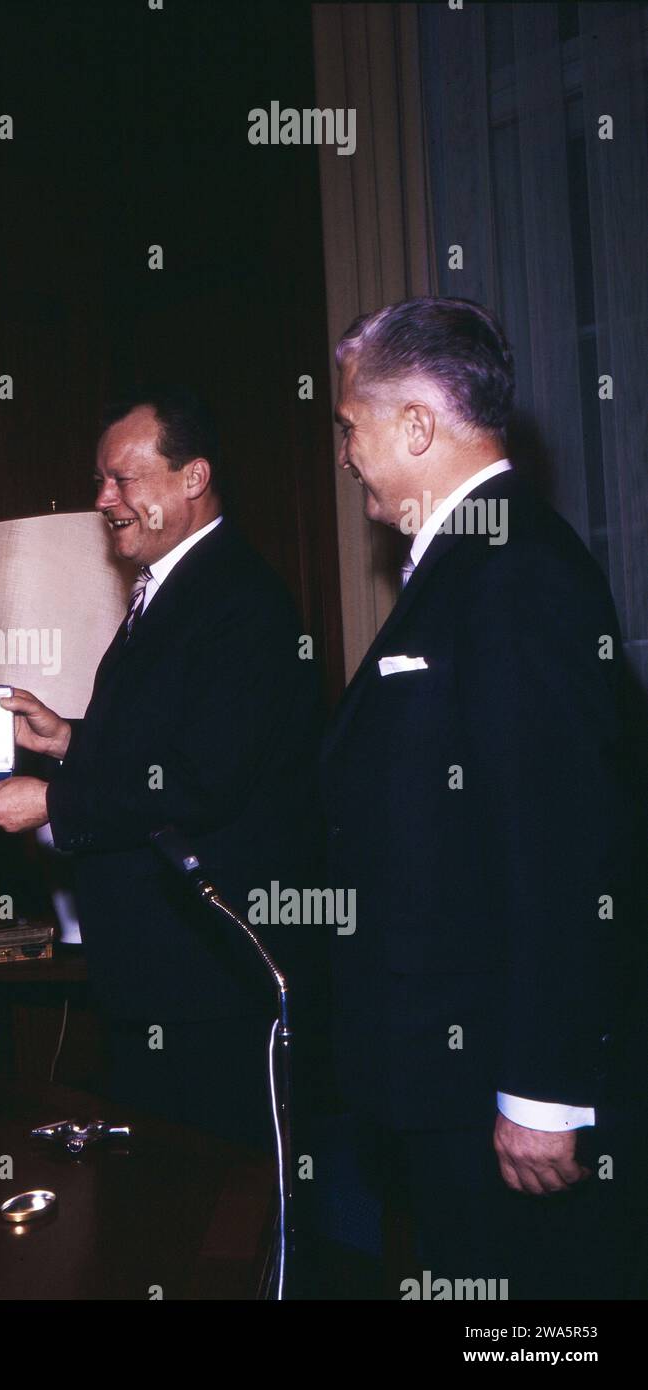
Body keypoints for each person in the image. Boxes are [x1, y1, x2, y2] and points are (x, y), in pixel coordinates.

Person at [324, 296, 634, 1298]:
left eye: (350, 426)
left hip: (500, 1088)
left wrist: (544, 1088)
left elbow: (564, 843)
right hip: (448, 1078)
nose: (346, 454)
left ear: (415, 425)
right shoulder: (468, 564)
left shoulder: (516, 572)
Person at [0, 388, 324, 1147]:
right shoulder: (172, 591)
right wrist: (66, 736)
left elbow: (205, 778)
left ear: (191, 477)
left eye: (121, 480)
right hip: (158, 967)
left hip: (204, 975)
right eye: (102, 480)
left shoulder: (240, 601)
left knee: (214, 1208)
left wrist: (55, 802)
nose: (103, 500)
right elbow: (162, 742)